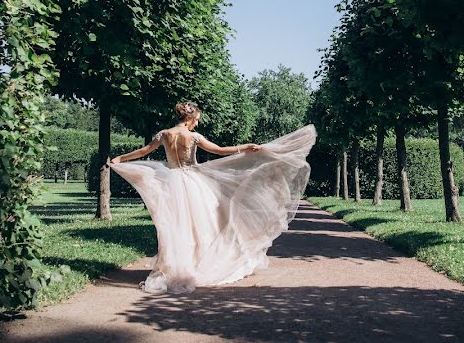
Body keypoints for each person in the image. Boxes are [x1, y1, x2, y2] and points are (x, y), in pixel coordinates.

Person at [108, 101, 316, 293]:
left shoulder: (164, 134)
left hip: (171, 182)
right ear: (189, 118)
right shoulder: (193, 137)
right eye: (196, 119)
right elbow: (219, 151)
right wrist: (244, 147)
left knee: (175, 226)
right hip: (191, 182)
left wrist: (120, 158)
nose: (197, 122)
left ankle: (175, 265)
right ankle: (199, 264)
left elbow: (144, 151)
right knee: (203, 225)